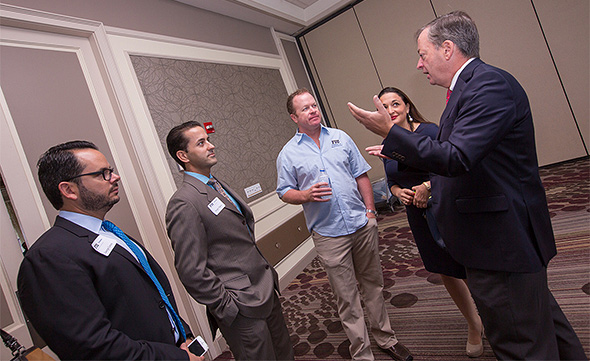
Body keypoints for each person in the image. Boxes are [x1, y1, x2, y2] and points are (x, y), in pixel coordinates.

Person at [348, 11, 587, 360]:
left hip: (499, 244)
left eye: (422, 54)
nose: (418, 64)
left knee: (522, 344)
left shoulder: (487, 85)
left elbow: (456, 157)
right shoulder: (467, 88)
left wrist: (391, 132)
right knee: (543, 327)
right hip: (498, 240)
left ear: (447, 49)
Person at [17, 140, 202, 360]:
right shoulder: (47, 258)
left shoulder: (110, 233)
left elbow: (156, 298)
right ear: (68, 190)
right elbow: (93, 347)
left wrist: (184, 337)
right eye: (102, 174)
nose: (115, 177)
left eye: (111, 171)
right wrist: (176, 358)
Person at [276, 89, 413, 361]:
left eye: (314, 105)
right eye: (305, 108)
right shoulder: (288, 154)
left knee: (373, 285)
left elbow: (361, 175)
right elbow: (284, 191)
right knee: (347, 297)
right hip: (328, 234)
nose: (313, 110)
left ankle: (386, 338)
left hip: (361, 225)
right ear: (294, 117)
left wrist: (371, 213)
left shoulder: (340, 138)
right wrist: (304, 195)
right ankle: (361, 353)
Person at [165, 121, 294, 361]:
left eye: (208, 140)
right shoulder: (184, 202)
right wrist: (227, 306)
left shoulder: (217, 185)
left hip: (264, 288)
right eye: (201, 143)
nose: (211, 146)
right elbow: (190, 269)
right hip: (240, 305)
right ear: (183, 155)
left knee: (284, 353)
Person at [376, 86, 484, 357]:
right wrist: (398, 192)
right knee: (446, 270)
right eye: (386, 107)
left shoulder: (429, 131)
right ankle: (474, 324)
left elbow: (451, 168)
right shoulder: (388, 141)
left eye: (396, 104)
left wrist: (427, 185)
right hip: (418, 216)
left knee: (468, 265)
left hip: (445, 208)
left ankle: (493, 315)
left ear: (408, 106)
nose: (391, 111)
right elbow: (391, 181)